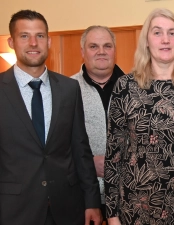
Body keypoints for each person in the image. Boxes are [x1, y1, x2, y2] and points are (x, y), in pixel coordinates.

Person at [104, 8, 174, 225]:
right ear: (146, 40)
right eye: (157, 32)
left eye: (172, 33)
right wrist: (112, 215)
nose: (165, 39)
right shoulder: (125, 87)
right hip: (136, 208)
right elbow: (114, 155)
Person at [0, 10, 102, 225]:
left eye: (40, 36)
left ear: (49, 41)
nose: (33, 43)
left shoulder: (69, 88)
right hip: (14, 211)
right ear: (11, 41)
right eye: (24, 36)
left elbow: (80, 149)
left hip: (67, 209)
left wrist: (92, 201)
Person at [71, 25, 125, 224]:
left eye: (107, 46)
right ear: (83, 52)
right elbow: (56, 146)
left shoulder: (136, 89)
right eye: (93, 46)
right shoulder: (67, 90)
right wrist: (88, 164)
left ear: (114, 50)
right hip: (82, 196)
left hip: (127, 196)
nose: (101, 51)